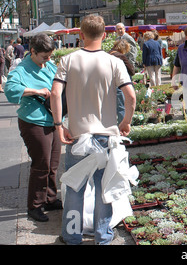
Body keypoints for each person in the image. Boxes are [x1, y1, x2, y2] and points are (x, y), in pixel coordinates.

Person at [51, 15, 136, 245]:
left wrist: (59, 125)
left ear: (81, 35)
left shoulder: (67, 60)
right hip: (106, 135)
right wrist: (125, 122)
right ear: (105, 35)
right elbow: (130, 95)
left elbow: (56, 93)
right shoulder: (114, 62)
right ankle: (103, 236)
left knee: (75, 187)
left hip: (78, 134)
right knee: (103, 187)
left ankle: (71, 236)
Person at [5, 33, 62, 222]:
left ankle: (50, 199)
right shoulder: (21, 69)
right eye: (44, 56)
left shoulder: (48, 65)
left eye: (50, 56)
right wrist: (36, 91)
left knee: (53, 164)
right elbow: (10, 89)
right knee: (41, 164)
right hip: (33, 121)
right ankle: (35, 205)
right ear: (33, 52)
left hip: (52, 120)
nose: (47, 60)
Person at [108, 39, 135, 124]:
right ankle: (122, 128)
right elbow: (131, 71)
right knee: (121, 107)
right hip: (119, 84)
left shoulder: (108, 54)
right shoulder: (120, 56)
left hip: (108, 84)